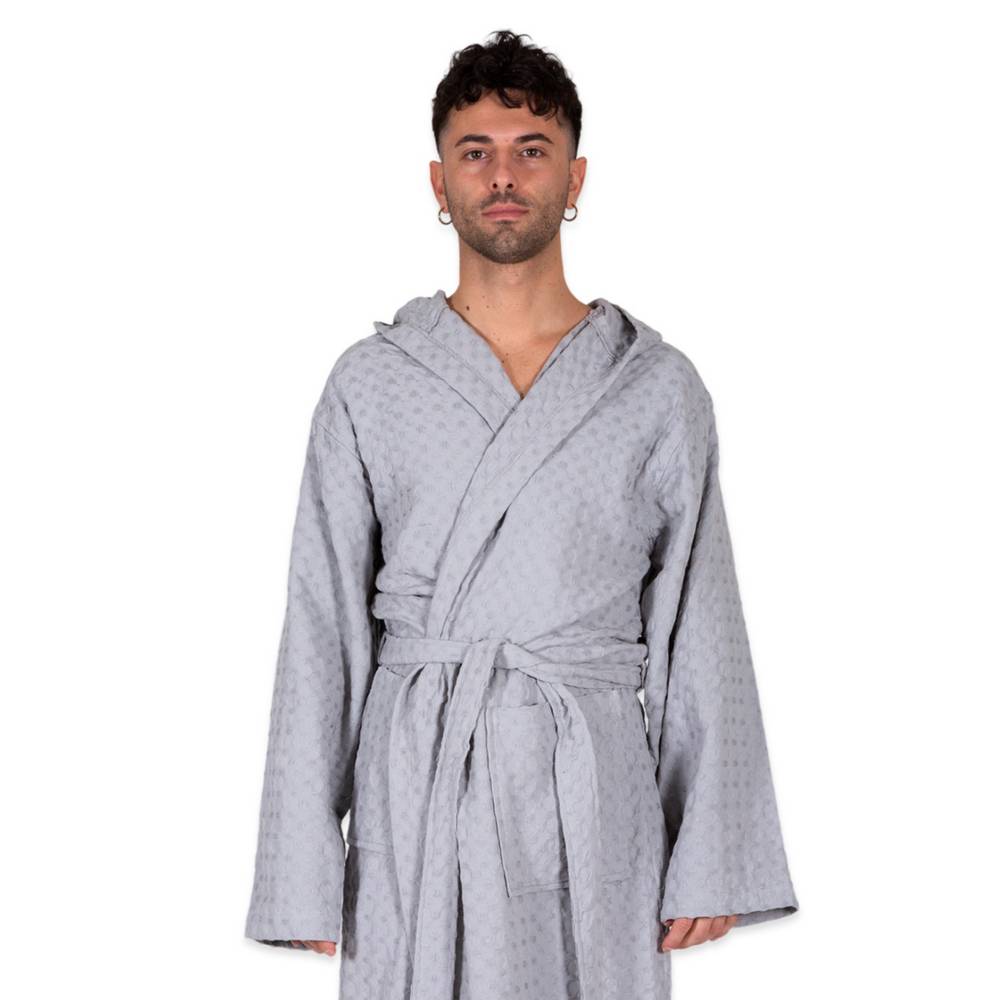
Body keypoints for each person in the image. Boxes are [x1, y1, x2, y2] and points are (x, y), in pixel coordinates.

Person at [244, 28, 799, 1000]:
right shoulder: (370, 382)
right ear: (439, 181)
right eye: (476, 152)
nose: (503, 175)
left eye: (531, 150)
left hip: (591, 787)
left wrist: (710, 854)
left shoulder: (653, 386)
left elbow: (700, 622)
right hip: (419, 786)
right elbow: (322, 624)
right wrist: (300, 868)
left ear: (574, 176)